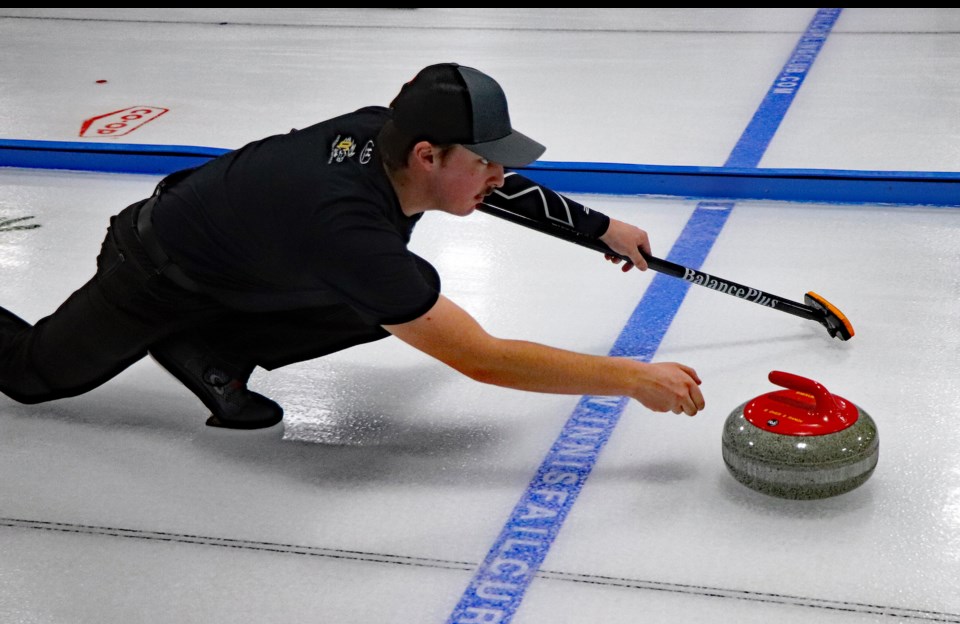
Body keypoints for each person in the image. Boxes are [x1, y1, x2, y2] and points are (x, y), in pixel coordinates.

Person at [0, 62, 704, 429]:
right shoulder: (351, 231)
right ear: (427, 155)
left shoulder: (384, 131)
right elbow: (481, 359)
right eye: (486, 161)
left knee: (385, 299)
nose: (501, 176)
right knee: (36, 377)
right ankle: (193, 338)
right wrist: (632, 378)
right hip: (149, 268)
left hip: (240, 260)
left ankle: (207, 350)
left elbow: (492, 189)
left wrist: (598, 228)